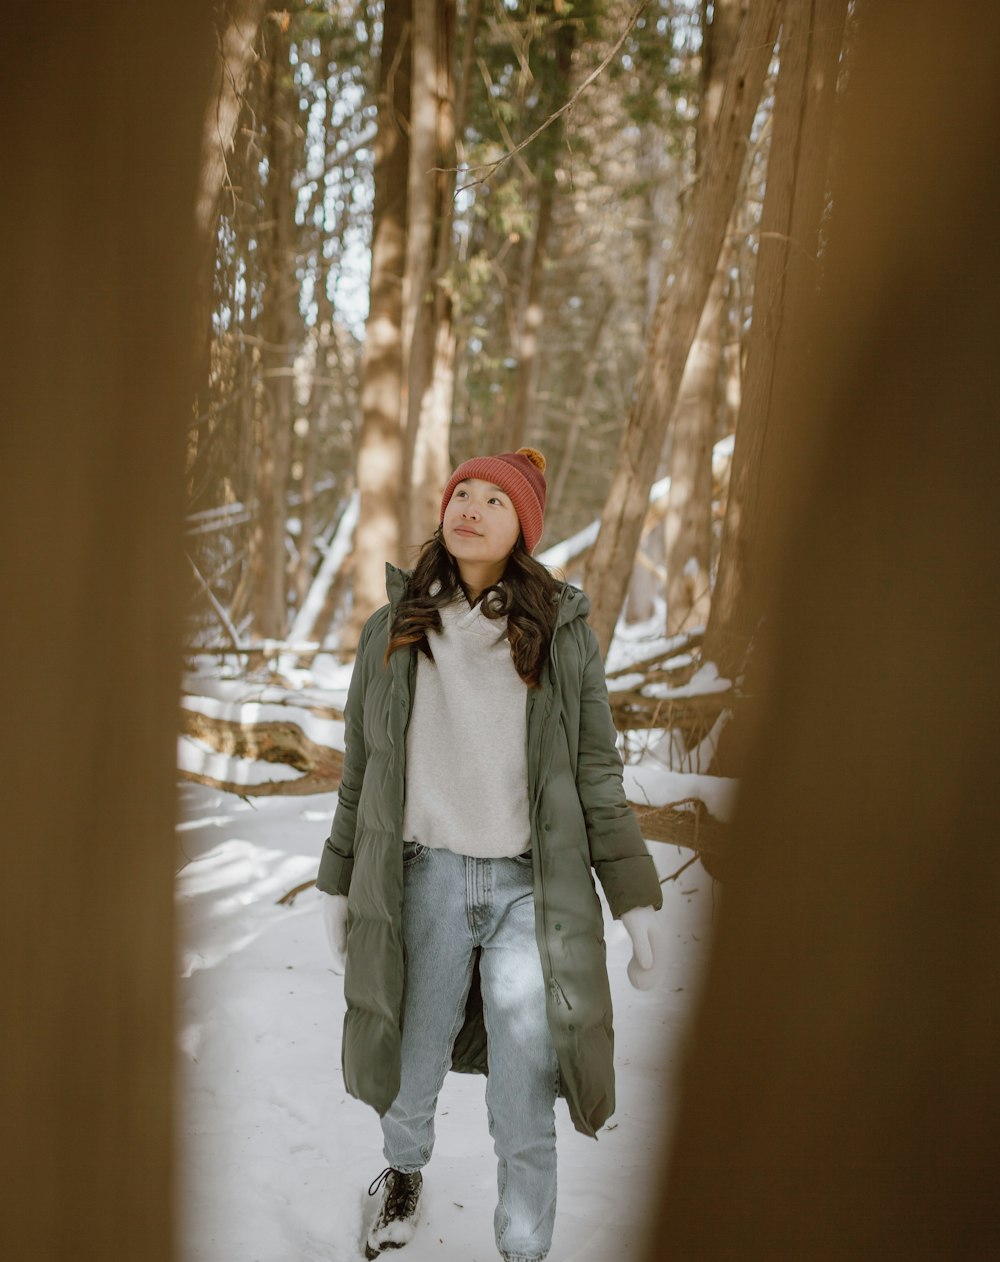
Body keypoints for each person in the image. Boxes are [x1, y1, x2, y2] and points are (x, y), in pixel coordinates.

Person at [317, 447, 663, 1262]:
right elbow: (362, 769)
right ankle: (402, 1171)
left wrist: (635, 897)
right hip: (423, 878)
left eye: (493, 501)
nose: (470, 507)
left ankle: (523, 1248)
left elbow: (596, 777)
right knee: (409, 1063)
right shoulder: (393, 631)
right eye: (461, 493)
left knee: (523, 1099)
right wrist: (338, 881)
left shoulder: (560, 636)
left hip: (528, 893)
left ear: (524, 530)